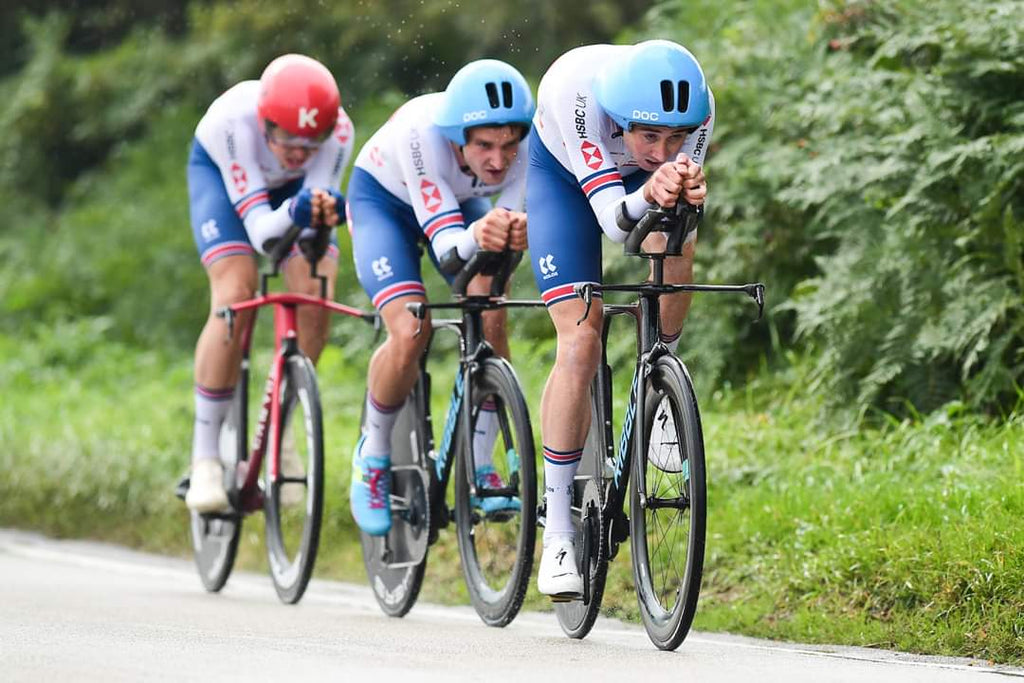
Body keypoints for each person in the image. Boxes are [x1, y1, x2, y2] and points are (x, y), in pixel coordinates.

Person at [527, 40, 715, 597]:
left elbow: (671, 203)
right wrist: (653, 187)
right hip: (564, 177)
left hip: (631, 182)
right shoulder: (579, 98)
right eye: (649, 135)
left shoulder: (696, 107)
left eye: (677, 138)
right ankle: (557, 529)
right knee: (582, 339)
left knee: (679, 237)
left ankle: (661, 384)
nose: (663, 150)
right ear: (619, 119)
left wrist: (682, 195)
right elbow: (614, 223)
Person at [347, 59, 533, 535]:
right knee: (412, 329)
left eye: (509, 145)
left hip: (458, 206)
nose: (498, 161)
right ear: (457, 137)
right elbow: (451, 252)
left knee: (492, 315)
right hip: (383, 205)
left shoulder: (527, 148)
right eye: (485, 146)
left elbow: (506, 227)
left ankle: (480, 460)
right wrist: (483, 232)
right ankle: (373, 453)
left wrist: (515, 231)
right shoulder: (421, 133)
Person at [185, 54, 355, 512]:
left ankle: (281, 426)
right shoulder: (232, 123)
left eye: (311, 142)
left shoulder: (338, 132)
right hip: (227, 187)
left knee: (315, 296)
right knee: (235, 294)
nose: (299, 151)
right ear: (264, 123)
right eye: (286, 138)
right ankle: (205, 457)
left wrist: (317, 219)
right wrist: (299, 211)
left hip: (289, 197)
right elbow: (262, 232)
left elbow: (313, 208)